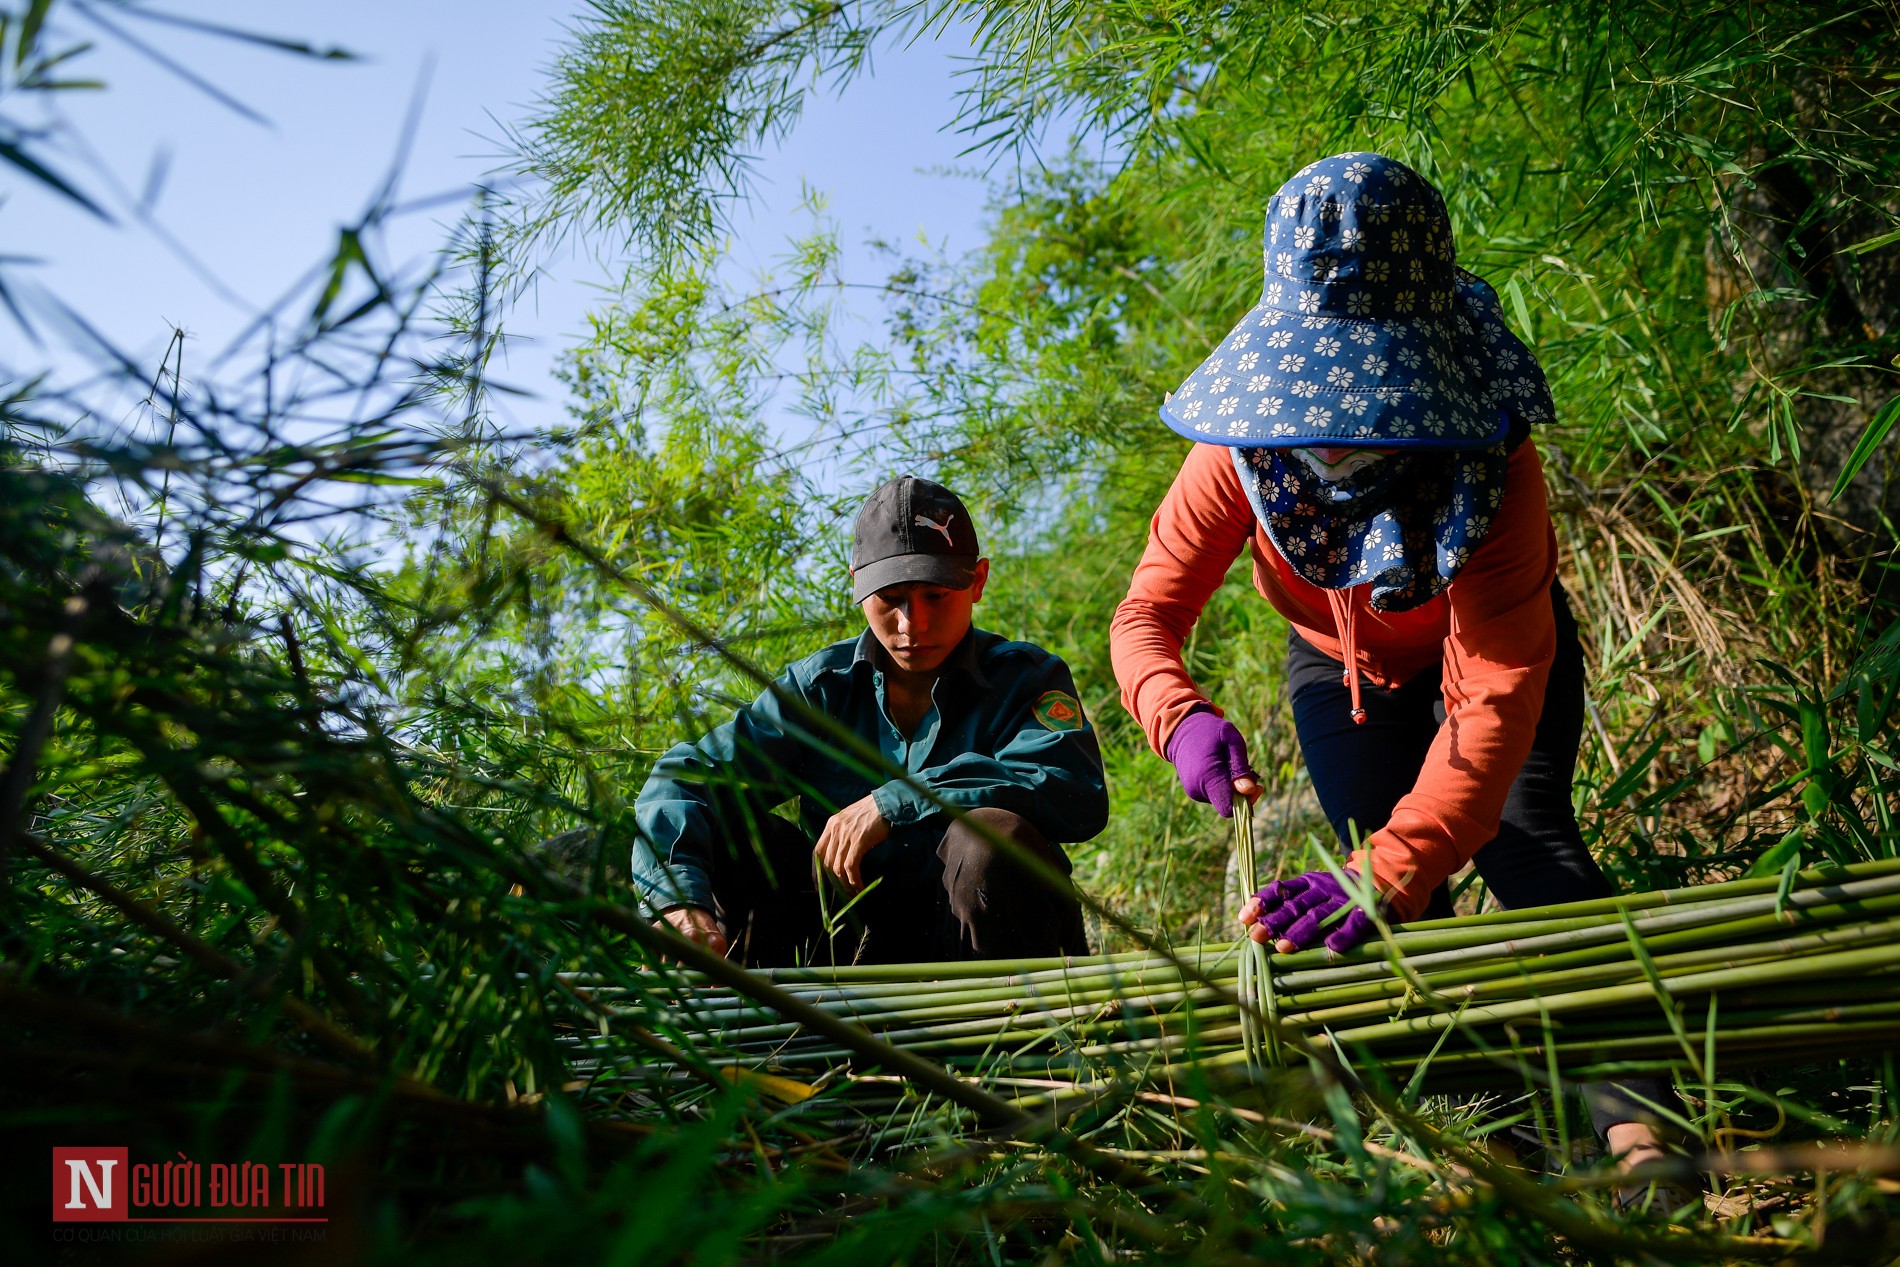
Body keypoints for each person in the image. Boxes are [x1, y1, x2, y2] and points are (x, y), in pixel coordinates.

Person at [1108, 153, 1676, 1185]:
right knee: (1372, 884)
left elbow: (1495, 694)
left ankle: (1642, 1134)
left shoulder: (1491, 464)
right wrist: (1175, 711)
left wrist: (1395, 870)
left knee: (1524, 839)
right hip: (1342, 673)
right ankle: (1500, 1135)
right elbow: (1147, 614)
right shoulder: (1241, 453)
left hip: (1493, 658)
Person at [632, 475, 1106, 966]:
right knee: (742, 839)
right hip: (846, 956)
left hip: (990, 960)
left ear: (977, 580)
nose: (911, 624)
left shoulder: (1025, 678)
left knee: (991, 837)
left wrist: (900, 800)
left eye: (935, 596)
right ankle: (774, 1030)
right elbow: (685, 780)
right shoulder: (821, 689)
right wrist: (677, 900)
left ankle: (1025, 1035)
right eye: (889, 599)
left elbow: (1073, 790)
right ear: (856, 585)